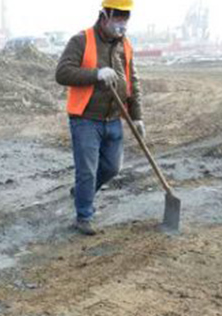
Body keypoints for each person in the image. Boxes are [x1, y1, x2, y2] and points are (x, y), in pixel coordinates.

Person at [55, 0, 143, 236]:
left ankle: (82, 192)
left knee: (112, 168)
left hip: (114, 118)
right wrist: (96, 74)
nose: (122, 22)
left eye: (126, 17)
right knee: (87, 170)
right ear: (105, 15)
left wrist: (137, 117)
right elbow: (62, 73)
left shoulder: (125, 46)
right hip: (85, 119)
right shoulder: (81, 40)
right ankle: (84, 216)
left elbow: (132, 82)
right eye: (118, 16)